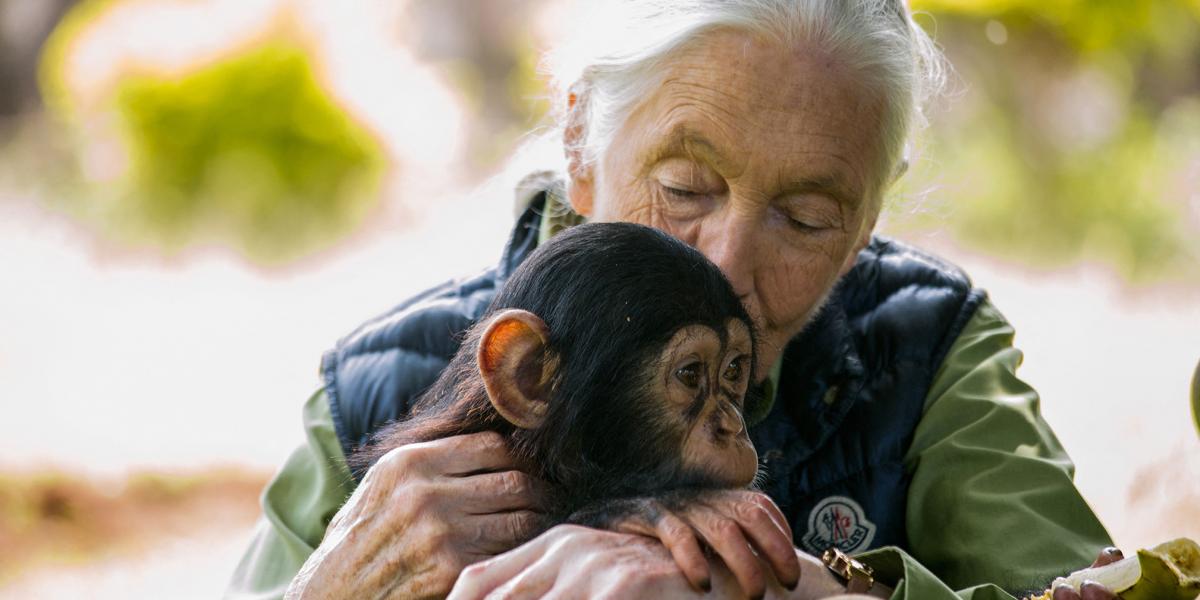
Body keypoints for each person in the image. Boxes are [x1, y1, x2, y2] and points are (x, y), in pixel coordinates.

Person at [227, 1, 1118, 598]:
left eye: (807, 218)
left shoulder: (924, 345)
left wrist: (806, 588)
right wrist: (336, 585)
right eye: (687, 188)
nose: (727, 268)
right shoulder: (381, 390)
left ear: (867, 220)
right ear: (579, 141)